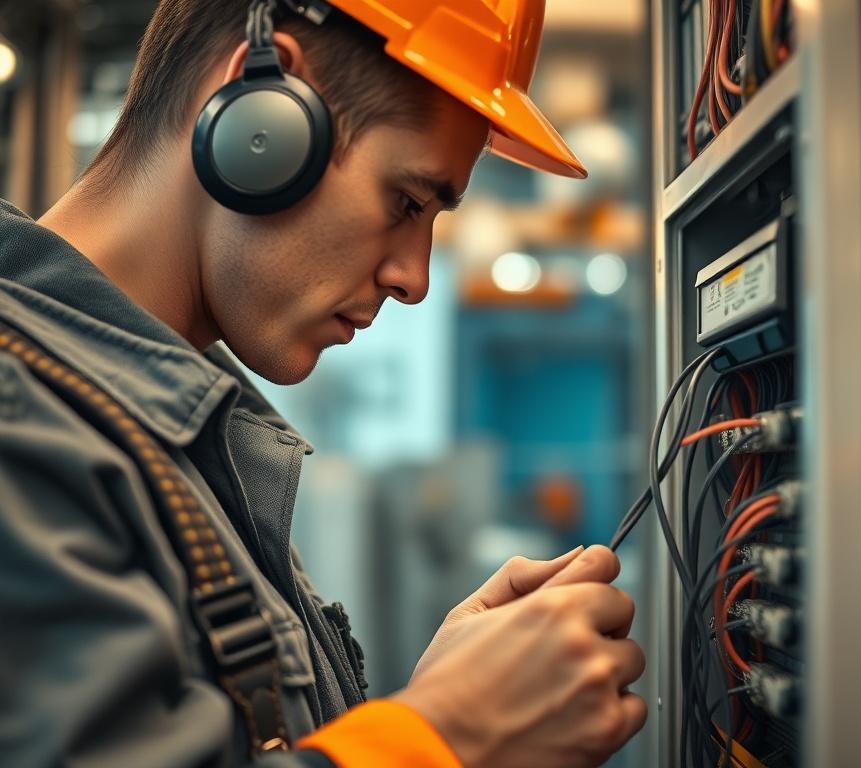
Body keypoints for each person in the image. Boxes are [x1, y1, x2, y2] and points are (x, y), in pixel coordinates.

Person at [0, 1, 646, 766]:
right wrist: (445, 736)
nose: (414, 279)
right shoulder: (23, 421)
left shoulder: (187, 440)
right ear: (259, 110)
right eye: (407, 202)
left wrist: (436, 700)